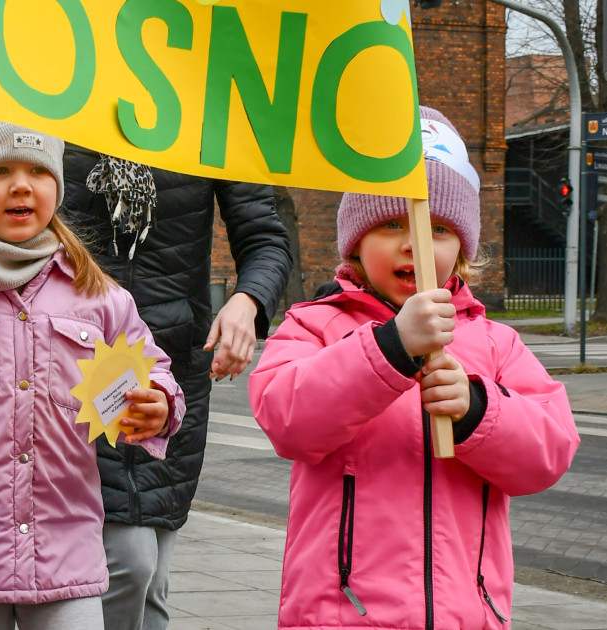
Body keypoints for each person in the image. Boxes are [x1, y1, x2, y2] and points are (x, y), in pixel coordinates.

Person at [247, 106, 580, 629]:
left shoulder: (495, 342)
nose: (414, 241)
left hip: (465, 613)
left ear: (462, 248)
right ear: (356, 241)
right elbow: (288, 418)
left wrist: (477, 411)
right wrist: (391, 348)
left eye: (438, 227)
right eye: (391, 223)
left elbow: (550, 450)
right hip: (344, 614)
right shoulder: (314, 326)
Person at [0, 118, 184, 630]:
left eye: (38, 170)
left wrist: (158, 401)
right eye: (0, 169)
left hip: (64, 551)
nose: (21, 184)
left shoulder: (95, 293)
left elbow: (153, 366)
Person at [60, 147, 291, 629]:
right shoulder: (59, 97)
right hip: (69, 365)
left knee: (151, 575)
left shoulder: (207, 115)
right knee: (129, 562)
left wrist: (247, 302)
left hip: (168, 377)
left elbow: (265, 237)